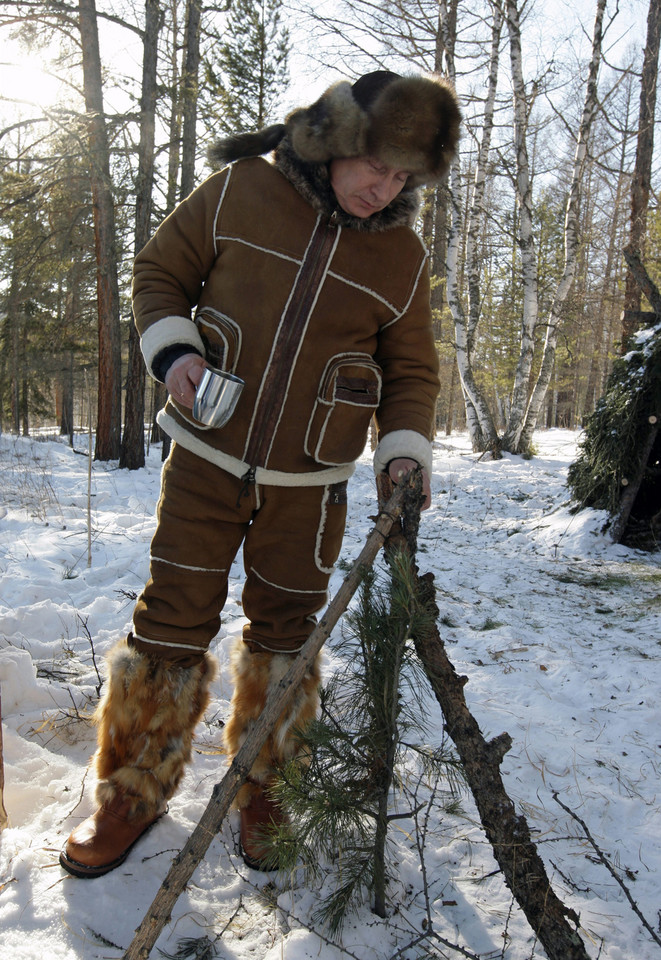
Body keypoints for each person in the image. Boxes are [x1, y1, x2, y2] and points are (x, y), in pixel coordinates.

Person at [60, 70, 461, 878]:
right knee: (170, 621)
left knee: (287, 636)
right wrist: (173, 351)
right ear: (343, 139)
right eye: (373, 165)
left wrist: (404, 453)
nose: (381, 188)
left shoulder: (401, 253)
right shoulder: (243, 188)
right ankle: (134, 791)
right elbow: (158, 274)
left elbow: (411, 371)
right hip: (207, 459)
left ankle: (267, 784)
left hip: (309, 486)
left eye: (401, 177)